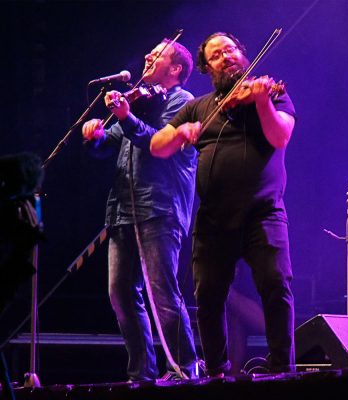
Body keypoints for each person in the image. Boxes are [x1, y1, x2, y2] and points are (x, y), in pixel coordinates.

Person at [150, 32, 296, 376]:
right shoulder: (198, 107)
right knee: (209, 297)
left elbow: (281, 136)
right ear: (206, 67)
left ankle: (281, 369)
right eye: (216, 55)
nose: (226, 57)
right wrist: (180, 134)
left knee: (276, 285)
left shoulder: (271, 94)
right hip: (214, 217)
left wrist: (261, 103)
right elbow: (158, 146)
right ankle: (216, 372)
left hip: (264, 211)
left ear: (242, 55)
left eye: (230, 49)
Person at [81, 39, 199, 381]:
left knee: (163, 294)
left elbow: (156, 140)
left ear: (175, 68)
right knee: (119, 293)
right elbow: (110, 144)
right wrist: (97, 135)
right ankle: (141, 374)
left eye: (157, 54)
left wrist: (127, 116)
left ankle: (183, 369)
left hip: (159, 208)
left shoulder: (182, 102)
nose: (147, 55)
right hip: (121, 209)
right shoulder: (141, 102)